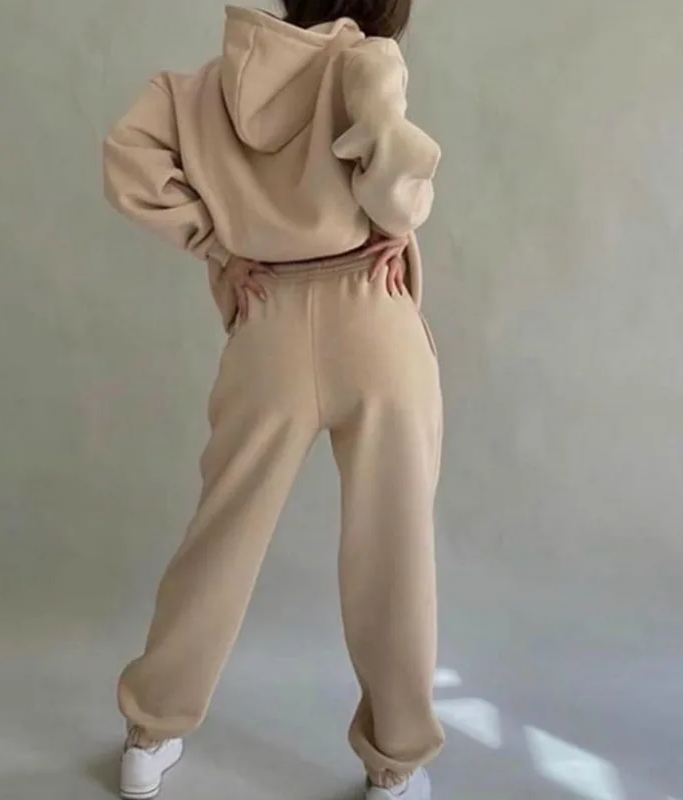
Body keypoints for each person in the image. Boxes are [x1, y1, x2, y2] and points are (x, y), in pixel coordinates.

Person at [102, 2, 444, 798]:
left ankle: (150, 735)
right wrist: (401, 221)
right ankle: (393, 765)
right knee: (393, 548)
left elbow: (128, 157)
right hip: (373, 315)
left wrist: (220, 246)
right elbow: (397, 190)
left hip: (267, 325)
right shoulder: (366, 61)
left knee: (221, 535)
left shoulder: (199, 89)